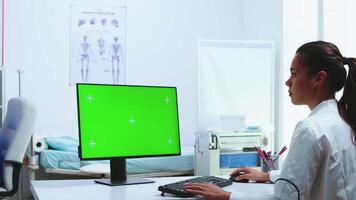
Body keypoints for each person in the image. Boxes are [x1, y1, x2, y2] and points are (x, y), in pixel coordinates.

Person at [184, 41, 356, 200]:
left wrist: (227, 196)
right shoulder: (343, 119)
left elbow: (283, 198)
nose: (288, 82)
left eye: (294, 74)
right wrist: (267, 175)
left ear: (318, 78)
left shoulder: (310, 128)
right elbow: (317, 173)